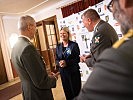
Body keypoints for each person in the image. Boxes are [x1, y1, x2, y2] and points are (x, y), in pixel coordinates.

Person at [74, 0, 133, 99]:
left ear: (89, 20)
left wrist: (85, 60)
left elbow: (98, 60)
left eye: (83, 22)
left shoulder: (100, 32)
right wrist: (90, 55)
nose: (83, 25)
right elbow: (101, 50)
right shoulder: (104, 27)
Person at [11, 15, 59, 100]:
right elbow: (40, 82)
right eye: (35, 26)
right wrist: (54, 78)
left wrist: (44, 74)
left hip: (27, 91)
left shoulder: (15, 46)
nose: (36, 30)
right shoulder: (27, 48)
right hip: (38, 94)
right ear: (29, 27)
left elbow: (29, 72)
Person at [56, 27, 81, 100]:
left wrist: (66, 62)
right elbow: (56, 59)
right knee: (68, 92)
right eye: (61, 33)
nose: (62, 35)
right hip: (63, 73)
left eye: (64, 33)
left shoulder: (74, 45)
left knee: (76, 92)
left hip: (73, 72)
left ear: (68, 34)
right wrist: (59, 63)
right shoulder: (58, 46)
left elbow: (77, 59)